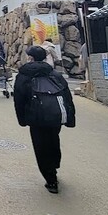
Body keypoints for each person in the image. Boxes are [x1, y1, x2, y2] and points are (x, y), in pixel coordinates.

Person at [13, 46, 76, 194]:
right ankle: (54, 165)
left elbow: (19, 100)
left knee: (40, 146)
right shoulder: (54, 73)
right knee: (53, 139)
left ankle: (50, 179)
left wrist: (22, 119)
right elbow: (67, 95)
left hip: (36, 117)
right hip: (55, 115)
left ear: (31, 58)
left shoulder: (23, 75)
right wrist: (70, 117)